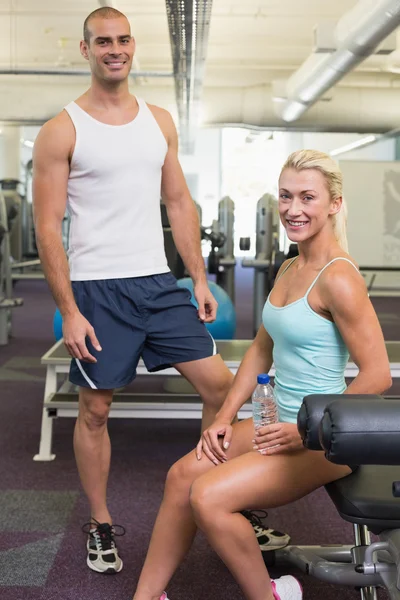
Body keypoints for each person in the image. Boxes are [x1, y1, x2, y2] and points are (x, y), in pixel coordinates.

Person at [32, 6, 288, 575]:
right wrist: (68, 309)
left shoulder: (159, 121)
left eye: (123, 40)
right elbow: (48, 226)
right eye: (103, 41)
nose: (114, 49)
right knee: (95, 409)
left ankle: (219, 495)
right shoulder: (62, 130)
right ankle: (99, 522)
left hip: (157, 282)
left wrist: (197, 278)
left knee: (222, 390)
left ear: (132, 46)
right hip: (98, 289)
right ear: (85, 49)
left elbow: (178, 203)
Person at [133, 149, 392, 600]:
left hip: (324, 440)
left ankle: (268, 595)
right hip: (278, 423)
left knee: (208, 496)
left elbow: (379, 375)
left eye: (307, 197)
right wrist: (222, 417)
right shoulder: (291, 266)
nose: (293, 209)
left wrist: (308, 430)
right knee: (181, 477)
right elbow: (260, 348)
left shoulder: (339, 278)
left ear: (333, 203)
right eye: (285, 196)